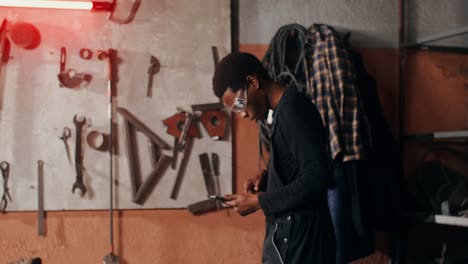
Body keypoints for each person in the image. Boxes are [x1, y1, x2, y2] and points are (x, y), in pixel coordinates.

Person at [212, 52, 336, 263]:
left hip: (305, 245)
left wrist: (258, 201)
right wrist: (268, 177)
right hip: (294, 240)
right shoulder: (281, 112)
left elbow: (316, 177)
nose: (242, 115)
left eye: (240, 105)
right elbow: (299, 167)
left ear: (253, 81)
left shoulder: (293, 109)